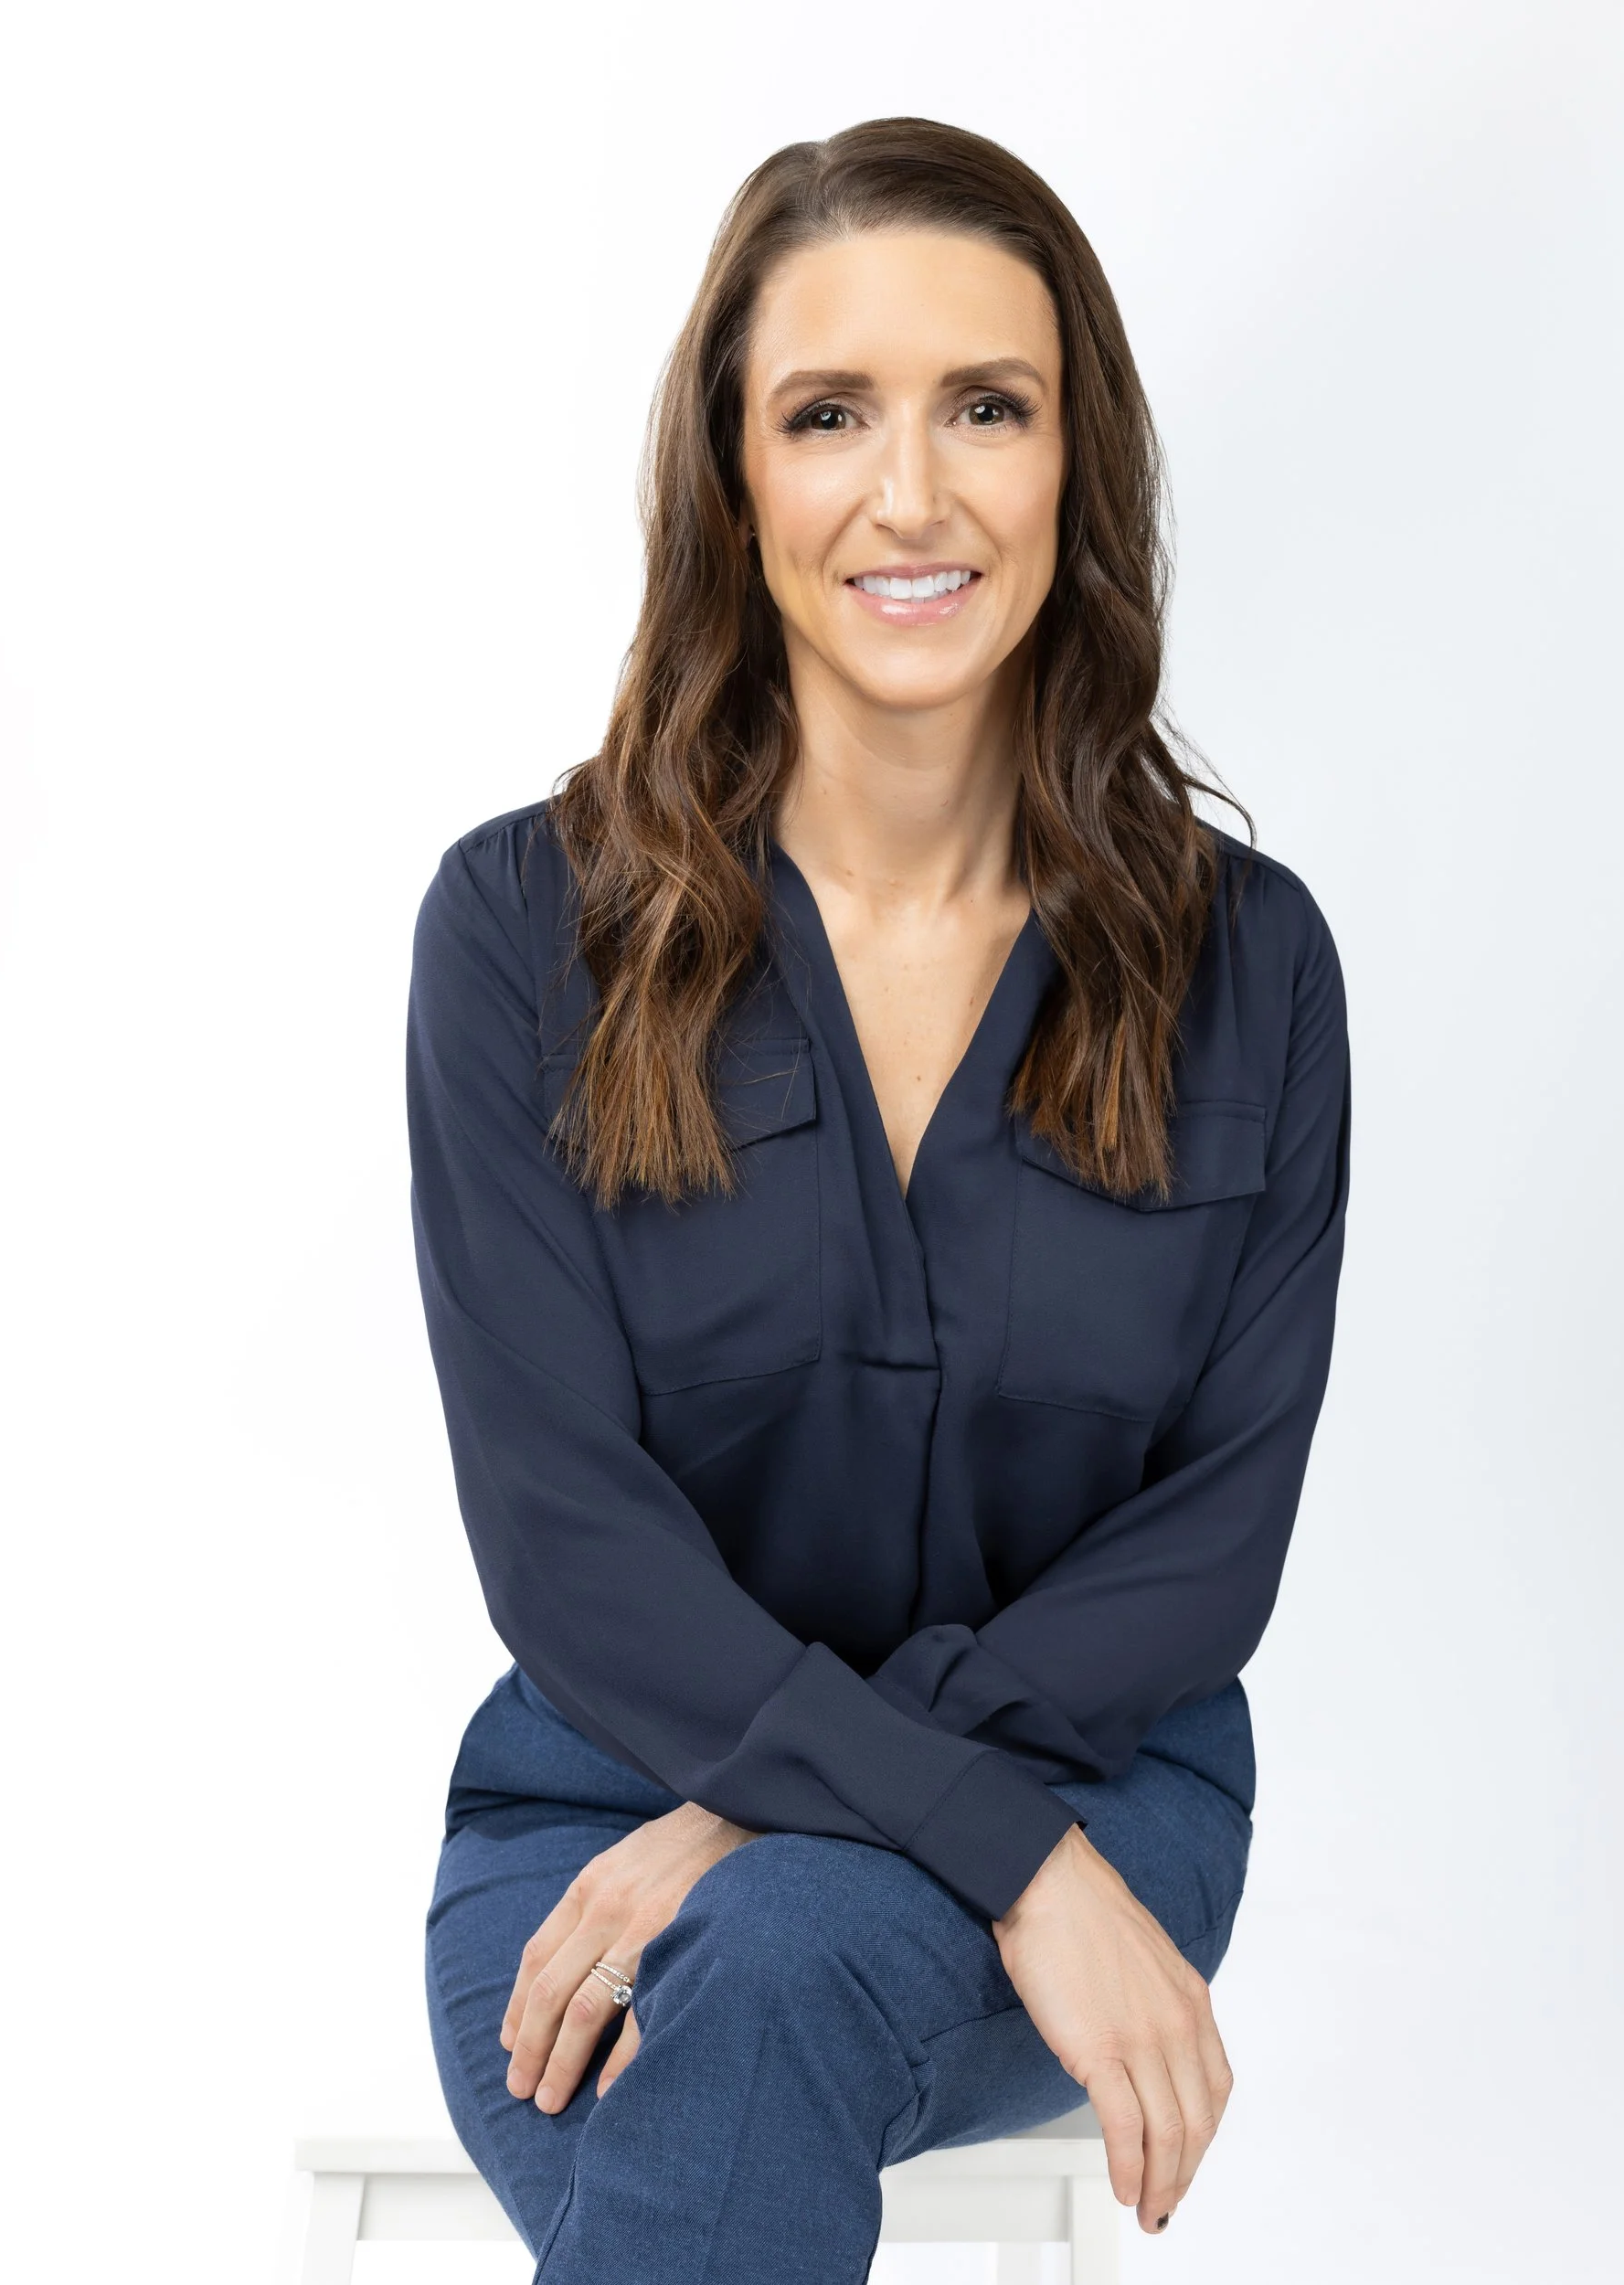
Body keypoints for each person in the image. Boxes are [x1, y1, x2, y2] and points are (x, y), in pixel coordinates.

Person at [407, 114, 1352, 2284]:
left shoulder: (1253, 969)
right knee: (742, 1991)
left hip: (1096, 1802)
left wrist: (815, 1816)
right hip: (592, 1825)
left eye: (983, 410)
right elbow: (570, 1544)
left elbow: (1197, 1549)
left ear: (1070, 466)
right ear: (734, 484)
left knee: (761, 1962)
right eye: (827, 413)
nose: (907, 494)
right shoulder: (516, 933)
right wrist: (952, 1833)